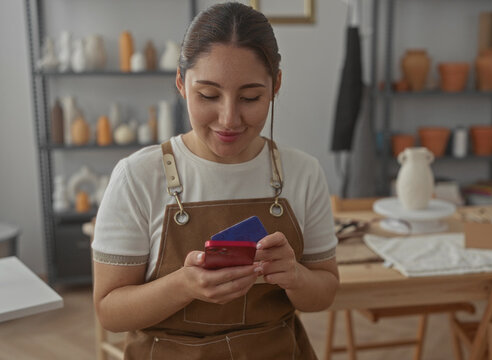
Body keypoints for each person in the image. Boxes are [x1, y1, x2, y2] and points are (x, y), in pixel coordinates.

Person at [92, 3, 339, 359]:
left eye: (250, 97)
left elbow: (325, 292)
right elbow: (110, 312)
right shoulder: (137, 176)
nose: (229, 119)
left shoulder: (303, 173)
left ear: (276, 85)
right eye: (208, 95)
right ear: (180, 83)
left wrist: (294, 276)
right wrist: (183, 284)